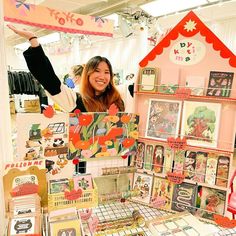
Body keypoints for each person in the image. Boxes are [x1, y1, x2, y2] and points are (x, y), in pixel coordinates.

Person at [7, 24, 125, 113]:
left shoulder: (117, 98)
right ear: (87, 75)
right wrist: (33, 40)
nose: (102, 76)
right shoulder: (75, 99)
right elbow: (49, 80)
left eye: (106, 72)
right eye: (97, 71)